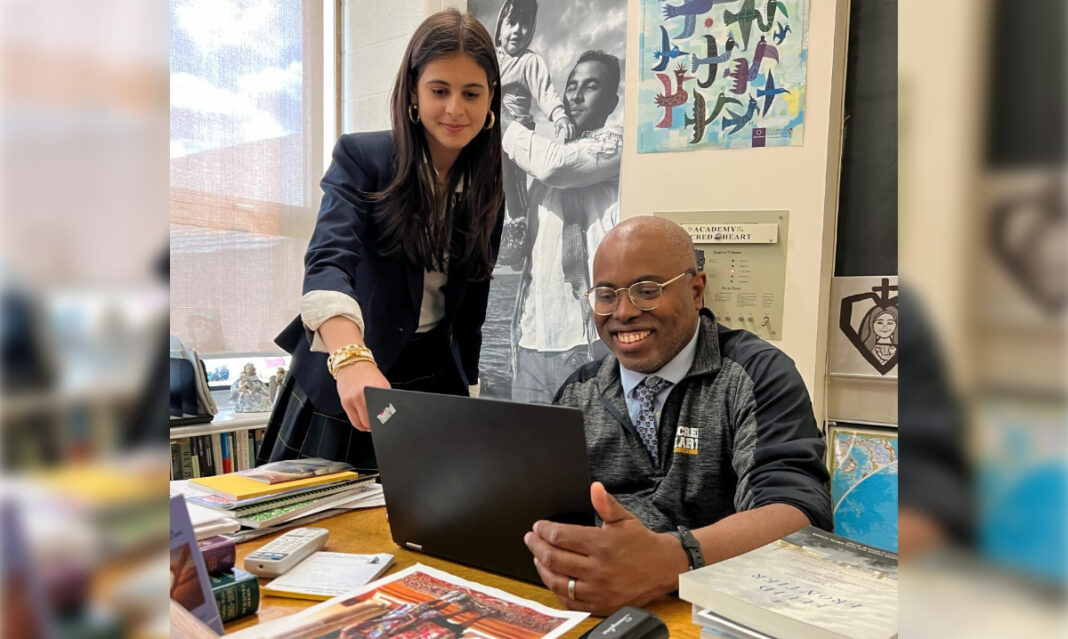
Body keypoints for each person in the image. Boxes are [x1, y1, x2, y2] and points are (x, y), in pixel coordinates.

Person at [524, 217, 832, 615]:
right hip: (601, 609)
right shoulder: (577, 393)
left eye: (646, 291)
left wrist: (674, 559)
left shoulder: (755, 375)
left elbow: (799, 515)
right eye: (606, 294)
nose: (624, 312)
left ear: (696, 290)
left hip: (721, 614)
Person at [257, 9, 504, 471]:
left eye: (471, 93)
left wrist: (467, 389)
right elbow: (329, 263)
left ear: (491, 99)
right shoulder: (363, 157)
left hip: (432, 386)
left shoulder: (490, 186)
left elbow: (472, 308)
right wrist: (351, 358)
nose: (455, 109)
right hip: (343, 378)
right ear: (413, 92)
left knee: (427, 530)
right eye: (439, 90)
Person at [503, 49, 623, 403]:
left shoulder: (615, 145)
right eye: (571, 86)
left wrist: (502, 124)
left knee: (589, 458)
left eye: (590, 86)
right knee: (524, 457)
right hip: (531, 344)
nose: (575, 96)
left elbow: (555, 166)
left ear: (611, 100)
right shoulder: (545, 166)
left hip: (588, 344)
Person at [493, 0, 575, 238]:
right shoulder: (488, 59)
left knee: (512, 179)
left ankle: (520, 224)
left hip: (514, 131)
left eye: (525, 24)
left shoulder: (529, 61)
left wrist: (560, 116)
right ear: (500, 26)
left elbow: (545, 92)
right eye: (512, 22)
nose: (518, 29)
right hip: (486, 131)